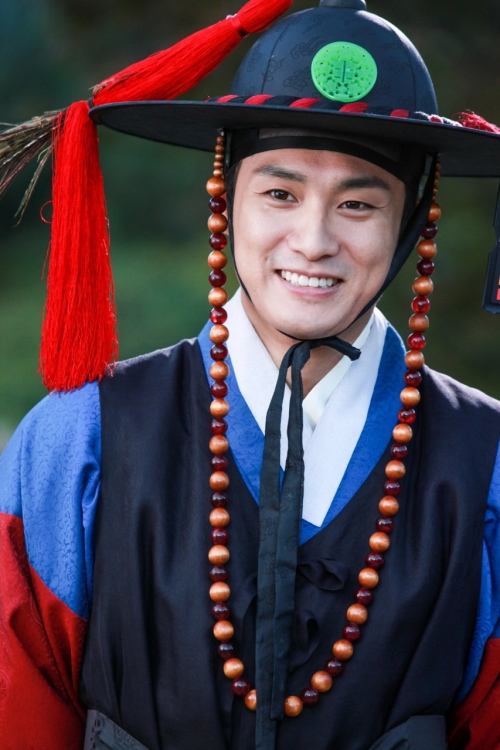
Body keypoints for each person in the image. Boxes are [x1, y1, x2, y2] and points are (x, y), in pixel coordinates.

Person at [1, 1, 500, 748]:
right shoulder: (83, 438)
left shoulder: (484, 462)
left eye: (358, 203)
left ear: (409, 225)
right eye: (279, 193)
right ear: (225, 199)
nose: (314, 240)